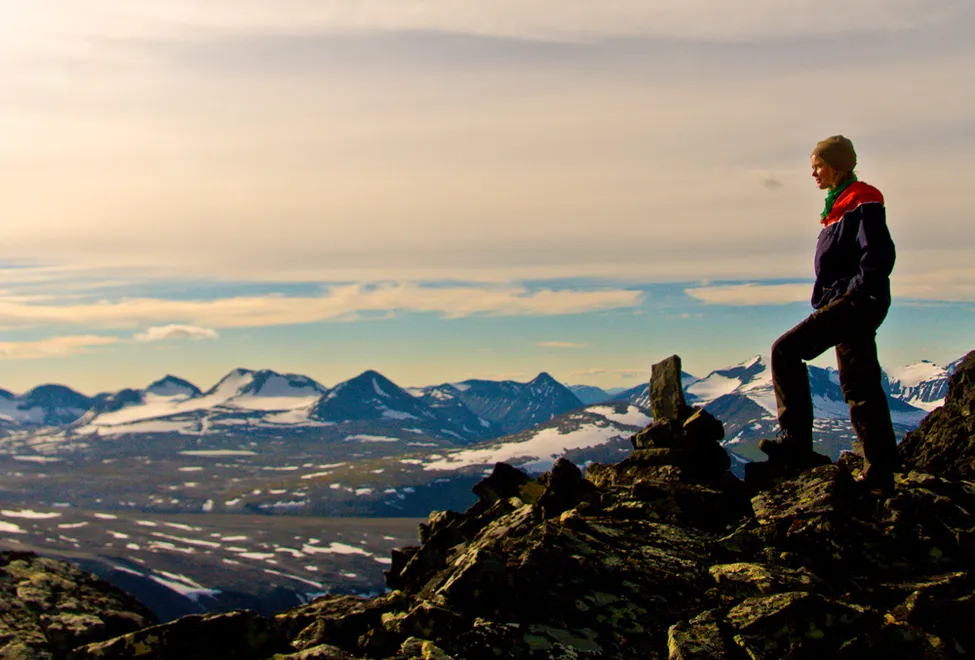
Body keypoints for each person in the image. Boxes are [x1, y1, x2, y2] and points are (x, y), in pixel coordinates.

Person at [759, 135, 900, 492]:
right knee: (860, 384)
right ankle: (881, 473)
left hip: (855, 301)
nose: (813, 174)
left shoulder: (862, 198)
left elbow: (878, 252)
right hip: (851, 300)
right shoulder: (837, 205)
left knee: (785, 351)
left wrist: (855, 292)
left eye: (817, 166)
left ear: (836, 165)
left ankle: (795, 442)